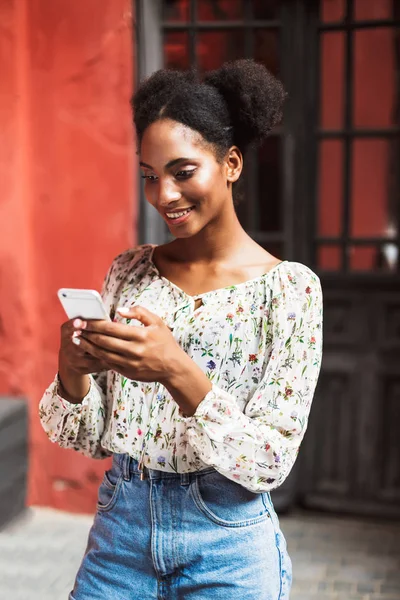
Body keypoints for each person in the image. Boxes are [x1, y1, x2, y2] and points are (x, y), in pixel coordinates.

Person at [39, 59, 323, 600]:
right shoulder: (130, 271)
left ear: (231, 163)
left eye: (183, 171)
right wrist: (72, 371)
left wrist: (176, 370)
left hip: (228, 540)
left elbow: (269, 460)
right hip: (121, 529)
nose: (164, 194)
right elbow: (89, 437)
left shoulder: (290, 292)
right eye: (149, 175)